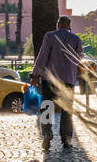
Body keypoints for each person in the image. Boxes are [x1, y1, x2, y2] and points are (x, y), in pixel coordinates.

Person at [32, 15, 84, 150]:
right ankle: (66, 139)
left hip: (50, 79)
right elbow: (79, 60)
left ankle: (47, 133)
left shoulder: (50, 36)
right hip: (68, 79)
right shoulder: (76, 39)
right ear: (69, 25)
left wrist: (35, 74)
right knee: (67, 110)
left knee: (47, 106)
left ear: (58, 24)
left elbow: (43, 56)